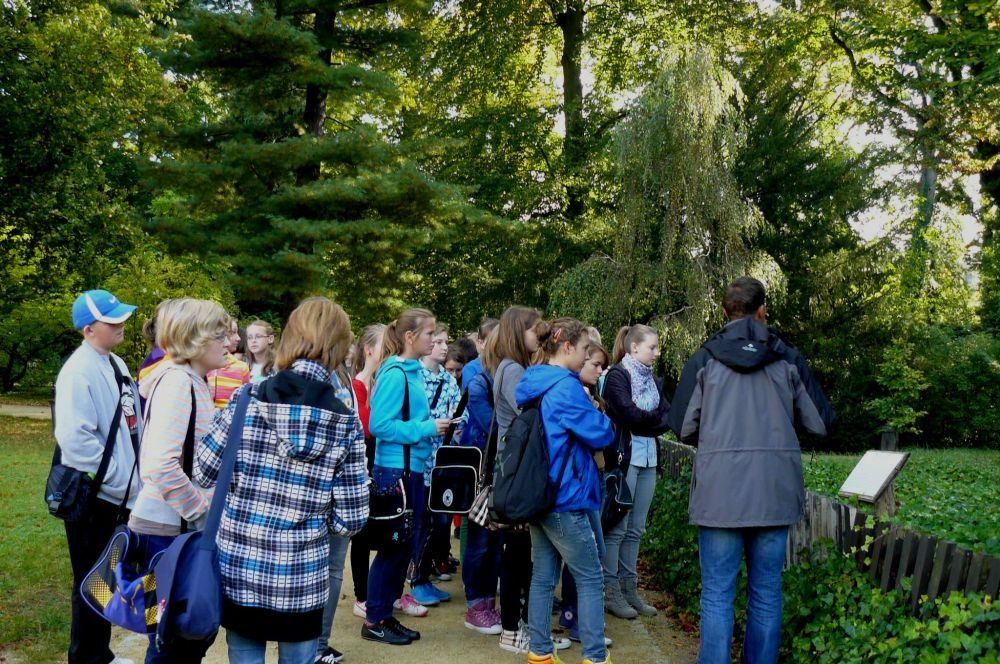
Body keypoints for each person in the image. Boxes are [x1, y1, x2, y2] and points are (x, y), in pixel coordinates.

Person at [668, 277, 834, 664]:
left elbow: (682, 426)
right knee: (767, 593)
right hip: (773, 491)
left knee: (716, 594)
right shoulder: (786, 357)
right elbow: (820, 422)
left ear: (725, 311)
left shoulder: (705, 357)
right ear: (763, 310)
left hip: (719, 493)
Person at [196, 297, 369, 664]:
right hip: (302, 575)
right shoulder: (345, 422)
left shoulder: (246, 400)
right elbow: (350, 520)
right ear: (339, 345)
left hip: (240, 566)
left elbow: (204, 470)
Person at [131, 298, 230, 662]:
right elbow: (160, 465)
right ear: (194, 339)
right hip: (167, 534)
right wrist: (201, 511)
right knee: (170, 640)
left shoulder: (192, 380)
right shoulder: (177, 383)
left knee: (179, 637)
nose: (228, 342)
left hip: (176, 531)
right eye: (218, 334)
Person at [515, 318, 615, 664]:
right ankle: (595, 656)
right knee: (590, 577)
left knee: (543, 577)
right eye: (585, 349)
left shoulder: (535, 382)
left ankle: (540, 651)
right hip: (566, 497)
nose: (588, 356)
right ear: (568, 347)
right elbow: (602, 433)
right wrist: (596, 412)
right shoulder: (565, 388)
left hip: (542, 494)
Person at [55, 289, 142, 664]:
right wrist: (120, 480)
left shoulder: (115, 363)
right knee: (90, 581)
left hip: (118, 496)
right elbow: (74, 442)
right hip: (95, 498)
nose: (122, 323)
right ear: (88, 329)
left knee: (106, 578)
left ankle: (99, 654)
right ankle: (85, 658)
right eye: (112, 320)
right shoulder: (78, 372)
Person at [363, 308, 451, 645]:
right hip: (394, 472)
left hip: (409, 469)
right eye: (429, 333)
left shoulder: (410, 372)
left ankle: (385, 615)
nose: (434, 339)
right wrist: (426, 428)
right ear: (410, 337)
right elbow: (379, 425)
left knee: (403, 548)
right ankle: (375, 619)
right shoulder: (396, 373)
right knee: (392, 547)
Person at [602, 324, 672, 620]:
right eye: (652, 347)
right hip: (625, 459)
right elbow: (628, 414)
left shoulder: (652, 380)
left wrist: (647, 420)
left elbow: (669, 417)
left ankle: (629, 588)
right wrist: (652, 419)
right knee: (618, 527)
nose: (657, 353)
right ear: (634, 347)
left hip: (649, 459)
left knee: (636, 529)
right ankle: (611, 590)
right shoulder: (618, 375)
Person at [559, 342, 612, 642]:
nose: (600, 370)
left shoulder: (587, 394)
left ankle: (574, 619)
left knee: (582, 556)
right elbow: (600, 434)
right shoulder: (574, 394)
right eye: (595, 364)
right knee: (589, 556)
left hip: (589, 477)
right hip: (578, 483)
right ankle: (584, 627)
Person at [410, 324, 463, 606]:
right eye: (438, 341)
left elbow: (461, 415)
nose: (443, 346)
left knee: (438, 523)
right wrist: (429, 425)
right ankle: (416, 579)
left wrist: (454, 425)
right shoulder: (412, 375)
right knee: (421, 523)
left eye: (446, 342)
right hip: (417, 462)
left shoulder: (448, 380)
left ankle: (423, 577)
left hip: (441, 463)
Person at [348, 324, 386, 623]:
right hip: (363, 465)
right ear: (369, 349)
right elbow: (365, 427)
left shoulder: (379, 384)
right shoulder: (357, 386)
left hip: (379, 463)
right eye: (386, 344)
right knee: (361, 534)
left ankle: (379, 591)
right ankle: (361, 595)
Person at [206, 317, 251, 409]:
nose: (239, 338)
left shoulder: (242, 368)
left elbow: (244, 403)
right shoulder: (202, 366)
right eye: (232, 332)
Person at [460, 317, 499, 388]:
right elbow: (471, 393)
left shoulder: (504, 365)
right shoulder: (471, 369)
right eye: (493, 340)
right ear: (481, 343)